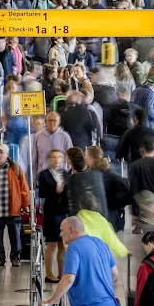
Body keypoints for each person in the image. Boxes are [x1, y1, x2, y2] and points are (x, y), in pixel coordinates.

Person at [0, 143, 30, 268]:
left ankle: (15, 258)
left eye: (1, 152)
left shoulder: (15, 168)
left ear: (7, 154)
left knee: (15, 235)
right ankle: (0, 258)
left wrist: (25, 204)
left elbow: (24, 187)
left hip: (13, 209)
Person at [38, 150, 69, 283]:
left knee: (63, 244)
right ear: (49, 159)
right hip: (52, 212)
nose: (57, 160)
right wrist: (55, 191)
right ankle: (49, 273)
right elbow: (42, 193)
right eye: (54, 157)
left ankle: (62, 273)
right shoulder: (43, 175)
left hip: (64, 211)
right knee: (52, 244)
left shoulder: (66, 174)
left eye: (59, 157)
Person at [86, 146, 130, 232]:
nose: (85, 158)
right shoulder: (109, 172)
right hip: (113, 215)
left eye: (86, 155)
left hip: (102, 217)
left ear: (91, 158)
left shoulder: (93, 175)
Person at [65, 147, 108, 217]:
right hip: (98, 216)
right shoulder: (93, 175)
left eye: (86, 155)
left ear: (69, 160)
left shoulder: (86, 177)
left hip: (86, 217)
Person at [31, 111, 73, 176]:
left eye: (55, 120)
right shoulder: (38, 136)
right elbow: (34, 158)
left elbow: (70, 157)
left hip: (61, 174)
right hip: (43, 175)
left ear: (59, 122)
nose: (52, 123)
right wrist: (34, 176)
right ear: (45, 122)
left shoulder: (65, 136)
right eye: (49, 120)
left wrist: (67, 172)